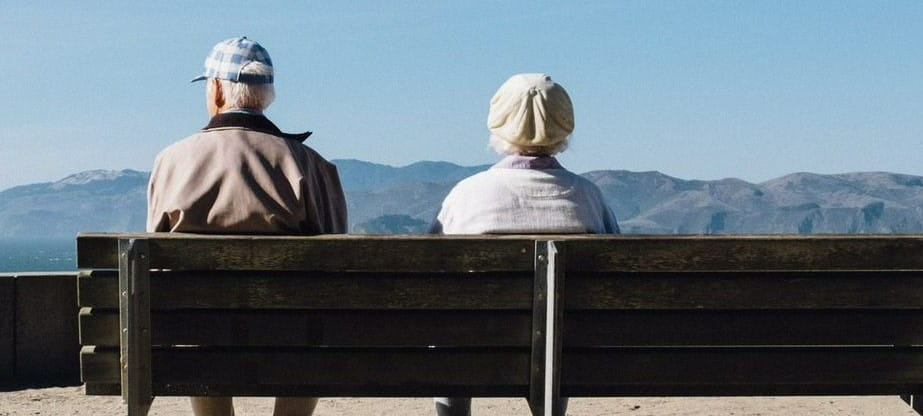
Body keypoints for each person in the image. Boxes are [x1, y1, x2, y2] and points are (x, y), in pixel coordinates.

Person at [147, 36, 347, 416]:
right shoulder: (311, 165)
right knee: (313, 328)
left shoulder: (171, 161)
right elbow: (337, 266)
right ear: (266, 95)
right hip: (290, 340)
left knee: (195, 325)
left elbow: (156, 265)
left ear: (218, 89)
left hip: (198, 338)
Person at [431, 73, 619, 416]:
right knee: (554, 334)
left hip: (474, 350)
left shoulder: (467, 195)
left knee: (452, 334)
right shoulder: (588, 197)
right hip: (565, 354)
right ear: (565, 126)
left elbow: (430, 276)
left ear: (498, 125)